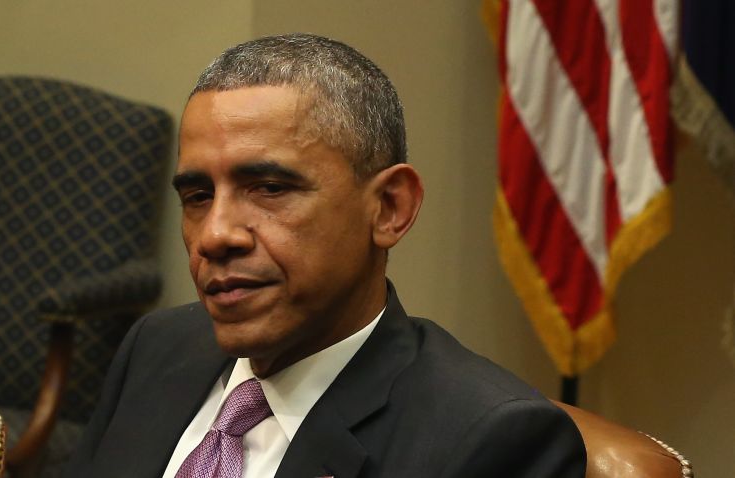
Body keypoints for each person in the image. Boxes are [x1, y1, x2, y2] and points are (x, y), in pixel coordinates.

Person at [65, 33, 586, 477]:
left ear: (388, 208)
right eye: (198, 197)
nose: (214, 235)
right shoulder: (155, 348)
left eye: (269, 187)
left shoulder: (489, 440)